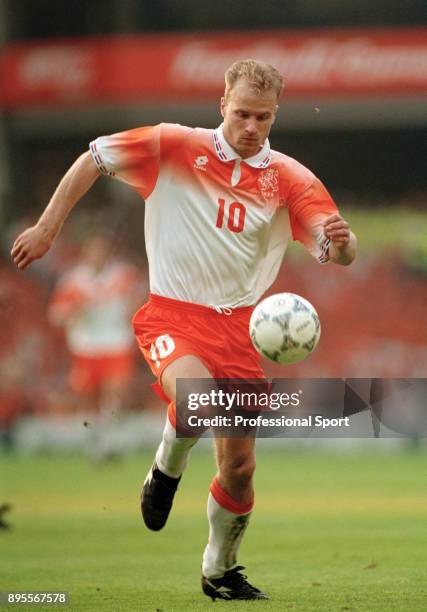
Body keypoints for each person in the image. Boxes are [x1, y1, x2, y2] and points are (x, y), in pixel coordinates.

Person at [11, 59, 357, 601]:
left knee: (240, 468)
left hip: (242, 330)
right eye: (241, 113)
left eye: (262, 117)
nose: (250, 126)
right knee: (199, 401)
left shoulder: (289, 177)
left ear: (274, 116)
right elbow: (92, 158)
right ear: (223, 105)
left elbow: (338, 249)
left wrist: (341, 243)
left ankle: (219, 571)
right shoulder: (172, 145)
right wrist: (48, 227)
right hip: (173, 314)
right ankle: (165, 470)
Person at [48, 232, 144, 417]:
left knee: (116, 391)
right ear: (84, 253)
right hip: (86, 344)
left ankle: (110, 433)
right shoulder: (73, 281)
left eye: (101, 250)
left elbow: (140, 301)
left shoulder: (124, 275)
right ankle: (91, 433)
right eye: (93, 251)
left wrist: (132, 312)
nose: (97, 255)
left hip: (117, 342)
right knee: (86, 395)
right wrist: (74, 310)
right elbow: (56, 316)